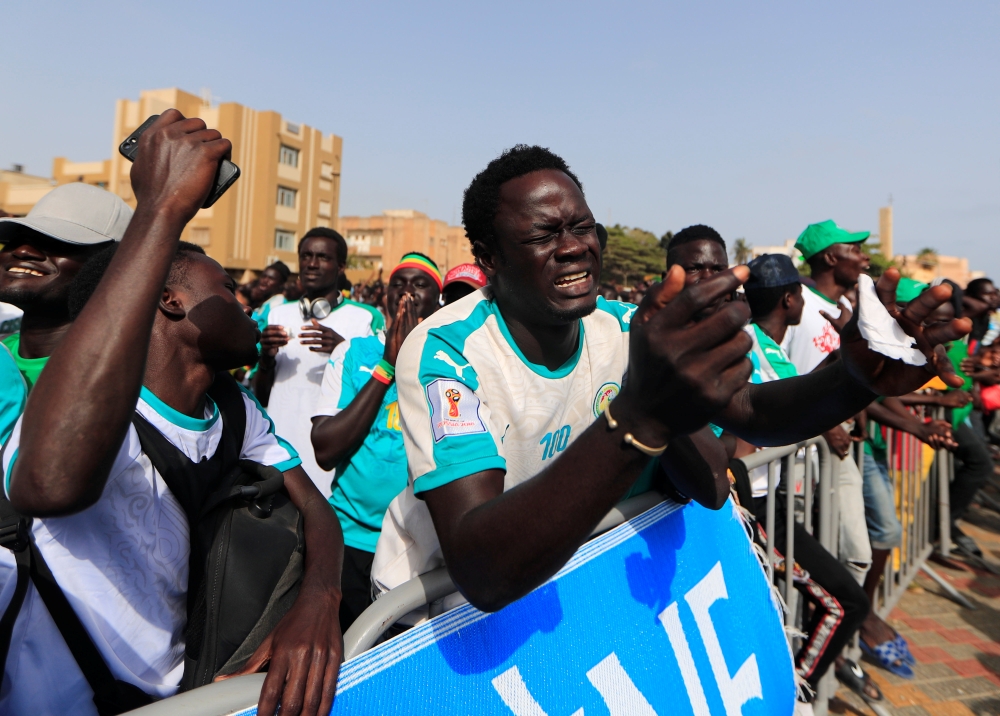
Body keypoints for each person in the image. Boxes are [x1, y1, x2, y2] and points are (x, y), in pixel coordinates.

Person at [371, 144, 967, 622]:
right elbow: (483, 570)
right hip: (441, 623)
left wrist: (853, 379)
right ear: (490, 258)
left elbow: (747, 414)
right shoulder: (446, 349)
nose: (574, 246)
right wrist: (636, 422)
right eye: (543, 236)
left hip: (562, 593)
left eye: (583, 226)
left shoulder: (627, 327)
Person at [0, 111, 344, 716]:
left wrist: (318, 603)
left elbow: (316, 507)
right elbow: (48, 483)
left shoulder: (234, 409)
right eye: (228, 293)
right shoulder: (90, 400)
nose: (247, 307)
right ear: (170, 300)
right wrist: (161, 207)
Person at [740, 254, 873, 702]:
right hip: (749, 508)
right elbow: (755, 419)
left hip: (770, 500)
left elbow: (793, 399)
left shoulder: (771, 347)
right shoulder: (747, 345)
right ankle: (793, 697)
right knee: (845, 603)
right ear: (790, 298)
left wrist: (843, 355)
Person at [311, 253, 442, 628]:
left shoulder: (452, 357)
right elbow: (325, 448)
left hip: (418, 546)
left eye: (420, 284)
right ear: (384, 296)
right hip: (348, 539)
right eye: (398, 284)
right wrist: (387, 365)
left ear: (438, 297)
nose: (406, 293)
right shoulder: (352, 352)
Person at [253, 227, 384, 498]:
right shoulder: (278, 314)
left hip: (330, 454)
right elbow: (261, 395)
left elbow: (375, 392)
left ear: (341, 267)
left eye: (322, 257)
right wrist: (266, 358)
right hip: (279, 450)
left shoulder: (365, 319)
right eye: (306, 256)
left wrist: (343, 349)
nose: (312, 263)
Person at [781, 220, 873, 586]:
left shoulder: (848, 308)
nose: (864, 257)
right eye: (855, 249)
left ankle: (842, 633)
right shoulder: (799, 309)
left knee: (855, 555)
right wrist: (824, 422)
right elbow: (781, 378)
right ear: (832, 257)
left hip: (837, 447)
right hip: (798, 451)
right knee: (800, 565)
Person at [0, 183, 132, 394]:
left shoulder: (119, 382)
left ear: (114, 266)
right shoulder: (3, 352)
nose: (23, 251)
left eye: (56, 241)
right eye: (17, 239)